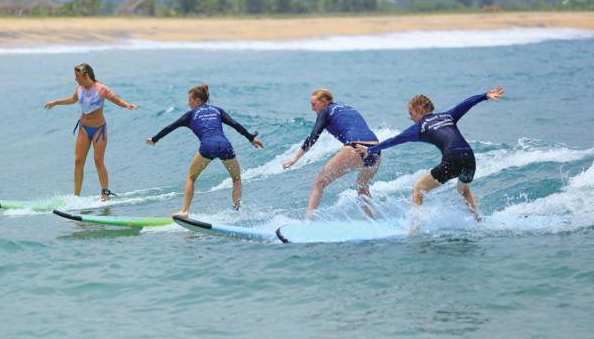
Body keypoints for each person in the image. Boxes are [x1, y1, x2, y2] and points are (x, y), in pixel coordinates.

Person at [355, 86, 505, 221]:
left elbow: (395, 140)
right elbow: (466, 103)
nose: (410, 117)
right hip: (469, 158)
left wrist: (369, 150)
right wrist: (485, 95)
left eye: (411, 113)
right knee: (464, 189)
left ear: (419, 109)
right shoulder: (448, 116)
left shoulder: (420, 127)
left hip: (453, 159)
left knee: (417, 190)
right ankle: (478, 219)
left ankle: (415, 227)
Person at [146, 84, 264, 217]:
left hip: (208, 146)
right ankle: (237, 210)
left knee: (191, 177)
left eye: (189, 100)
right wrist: (251, 139)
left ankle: (185, 211)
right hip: (225, 145)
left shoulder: (190, 115)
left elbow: (170, 127)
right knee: (236, 179)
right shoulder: (217, 110)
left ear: (196, 100)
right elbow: (235, 124)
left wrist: (154, 139)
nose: (188, 103)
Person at [44, 63, 137, 201]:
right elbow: (72, 99)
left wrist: (127, 105)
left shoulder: (101, 89)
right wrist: (55, 102)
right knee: (78, 160)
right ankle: (76, 196)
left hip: (99, 129)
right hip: (83, 128)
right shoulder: (79, 89)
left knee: (98, 161)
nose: (76, 79)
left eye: (78, 76)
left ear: (86, 75)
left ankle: (105, 193)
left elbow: (115, 99)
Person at [282, 88, 381, 219]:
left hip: (355, 147)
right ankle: (374, 221)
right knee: (362, 187)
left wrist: (294, 159)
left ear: (323, 102)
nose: (312, 108)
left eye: (313, 104)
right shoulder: (348, 108)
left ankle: (308, 223)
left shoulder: (325, 111)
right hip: (376, 150)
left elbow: (313, 136)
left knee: (319, 183)